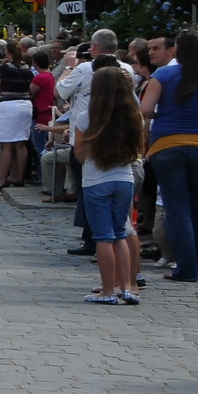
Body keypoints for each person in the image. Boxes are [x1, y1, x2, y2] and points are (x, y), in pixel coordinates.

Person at [139, 29, 198, 281]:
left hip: (167, 145)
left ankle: (186, 268)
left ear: (177, 50)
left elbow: (145, 109)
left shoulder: (163, 74)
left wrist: (162, 116)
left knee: (177, 208)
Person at [73, 67, 145, 304]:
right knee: (120, 234)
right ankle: (126, 286)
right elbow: (138, 149)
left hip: (96, 180)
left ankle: (108, 290)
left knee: (103, 237)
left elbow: (80, 153)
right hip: (124, 178)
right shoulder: (134, 117)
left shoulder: (86, 118)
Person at [56, 28, 119, 255]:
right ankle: (110, 237)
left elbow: (61, 91)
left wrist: (67, 68)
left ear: (93, 47)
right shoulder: (127, 68)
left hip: (86, 135)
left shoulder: (83, 68)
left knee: (88, 190)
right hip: (117, 138)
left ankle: (92, 238)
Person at [0, 39, 35, 191]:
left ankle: (2, 179)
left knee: (6, 144)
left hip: (8, 104)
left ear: (7, 52)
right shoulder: (27, 68)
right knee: (20, 143)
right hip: (25, 104)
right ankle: (19, 177)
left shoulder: (4, 68)